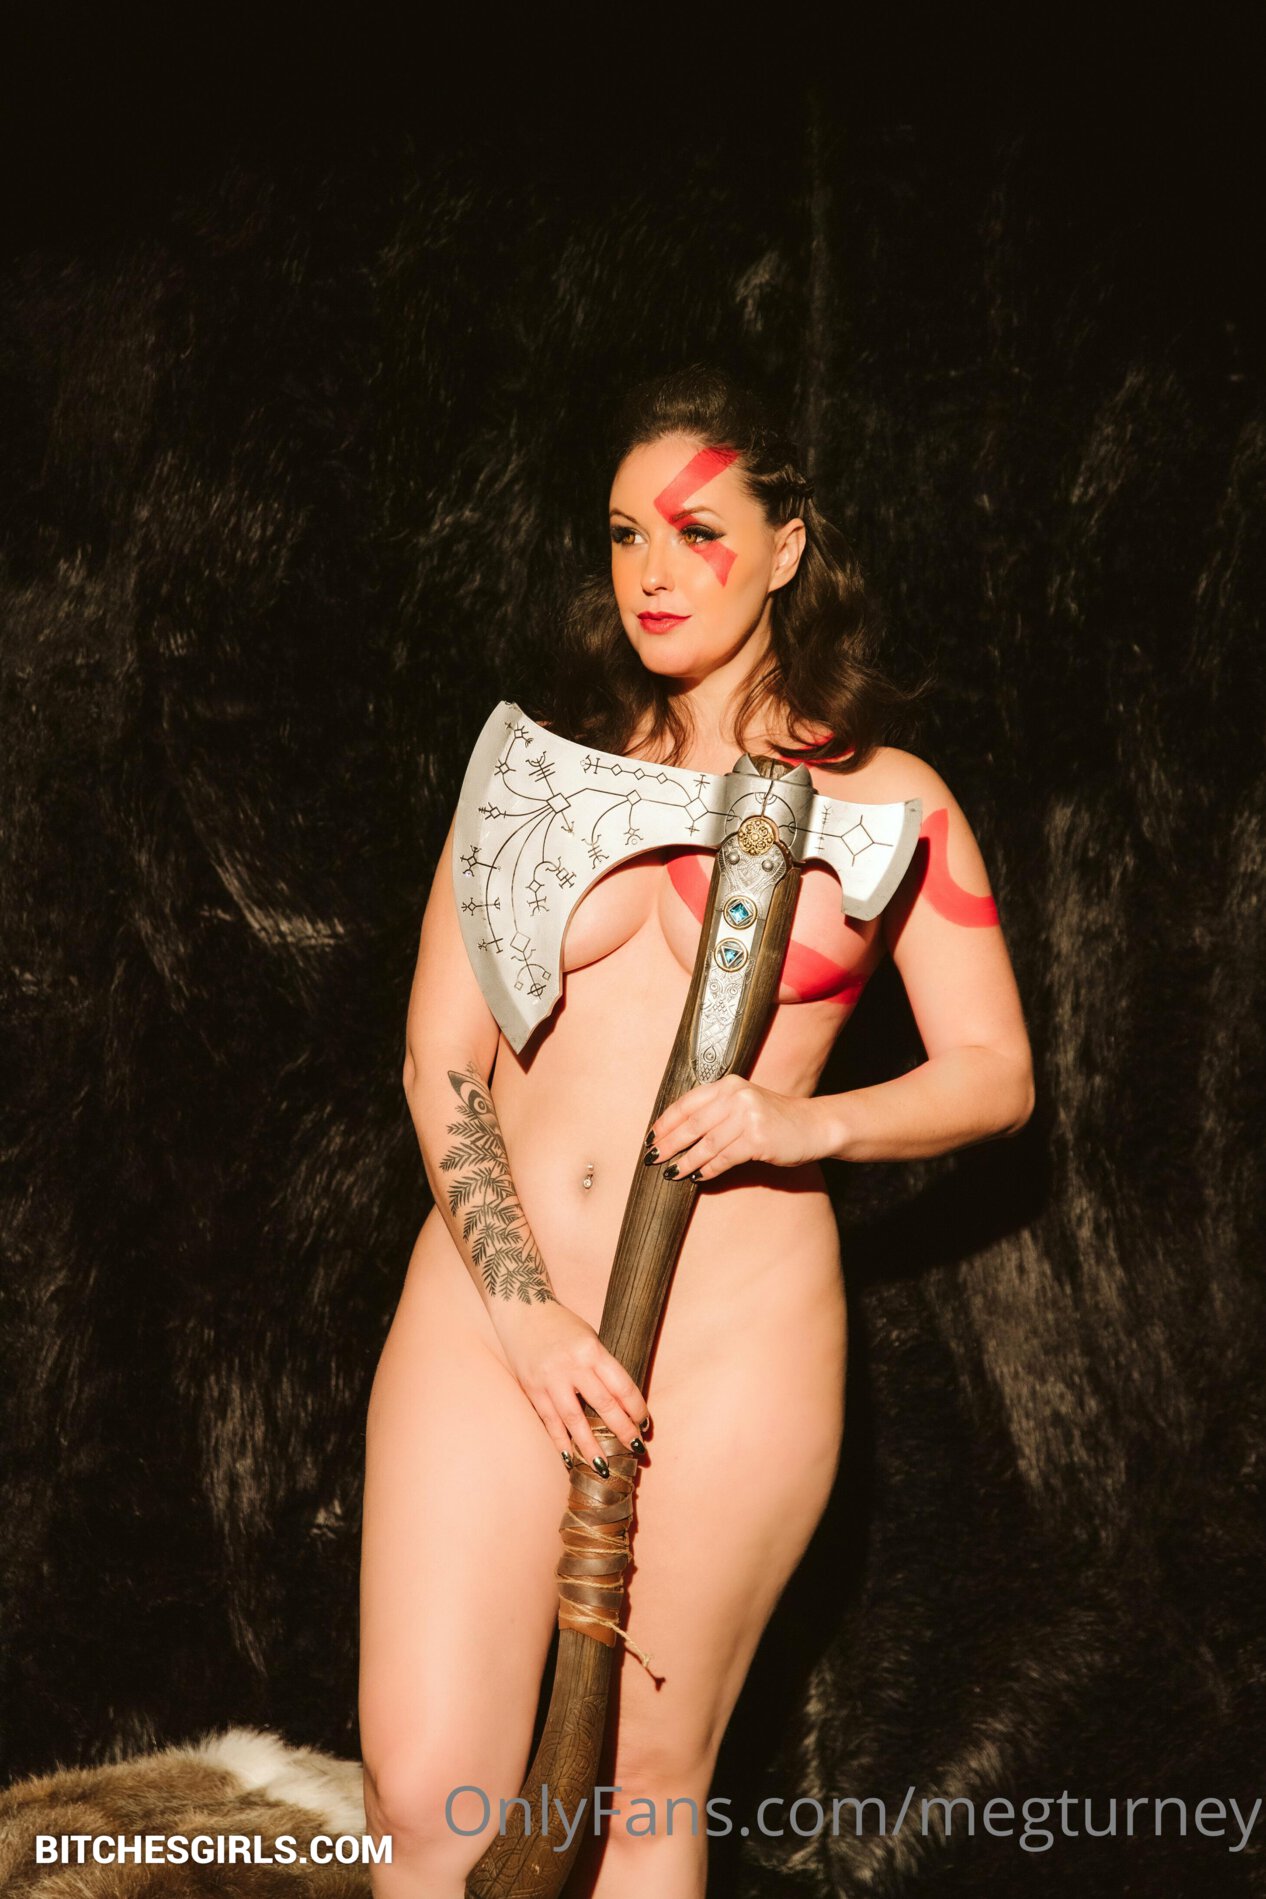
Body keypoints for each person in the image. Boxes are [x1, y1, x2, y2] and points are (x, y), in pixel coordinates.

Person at [358, 366, 1035, 1898]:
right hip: (492, 1314)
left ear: (786, 546)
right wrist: (525, 1319)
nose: (651, 573)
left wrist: (807, 1116)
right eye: (623, 536)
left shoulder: (891, 800)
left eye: (696, 531)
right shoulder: (533, 772)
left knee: (644, 1792)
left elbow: (993, 1073)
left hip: (731, 1337)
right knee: (424, 1786)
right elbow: (436, 1059)